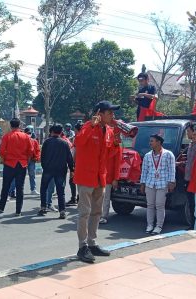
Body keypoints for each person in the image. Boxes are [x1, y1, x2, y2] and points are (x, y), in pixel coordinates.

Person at [73, 101, 117, 263]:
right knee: (84, 212)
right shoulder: (87, 127)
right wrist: (91, 126)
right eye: (109, 112)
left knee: (97, 212)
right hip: (86, 177)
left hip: (100, 177)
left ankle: (92, 243)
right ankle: (82, 246)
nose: (112, 115)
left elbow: (110, 154)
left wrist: (117, 144)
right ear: (100, 113)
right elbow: (78, 143)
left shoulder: (110, 131)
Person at [0, 118, 34, 216]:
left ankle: (1, 207)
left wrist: (5, 159)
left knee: (6, 187)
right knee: (20, 188)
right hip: (22, 164)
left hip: (9, 164)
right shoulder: (25, 136)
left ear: (10, 126)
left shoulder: (7, 137)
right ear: (19, 125)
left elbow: (2, 151)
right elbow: (31, 150)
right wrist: (26, 160)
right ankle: (18, 211)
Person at [139, 134, 176, 235]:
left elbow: (171, 170)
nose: (150, 143)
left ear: (159, 142)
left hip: (162, 183)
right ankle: (149, 225)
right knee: (150, 205)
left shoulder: (168, 154)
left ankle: (159, 226)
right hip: (150, 183)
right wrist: (142, 183)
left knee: (160, 205)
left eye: (152, 141)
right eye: (150, 141)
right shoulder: (147, 155)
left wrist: (171, 182)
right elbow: (144, 170)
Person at [38, 124, 74, 219]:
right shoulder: (64, 143)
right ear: (61, 132)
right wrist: (72, 169)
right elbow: (69, 158)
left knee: (43, 189)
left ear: (51, 132)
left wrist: (44, 167)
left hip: (48, 169)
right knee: (60, 191)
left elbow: (43, 157)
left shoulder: (47, 142)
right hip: (61, 170)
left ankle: (43, 207)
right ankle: (62, 211)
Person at [100, 118, 122, 224]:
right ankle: (96, 215)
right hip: (99, 175)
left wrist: (115, 178)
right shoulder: (102, 146)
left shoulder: (117, 148)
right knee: (96, 197)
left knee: (105, 198)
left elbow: (117, 165)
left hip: (109, 178)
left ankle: (103, 216)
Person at [177, 122, 196, 230]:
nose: (188, 133)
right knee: (191, 203)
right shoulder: (191, 145)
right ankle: (193, 225)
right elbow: (190, 162)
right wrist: (181, 164)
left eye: (189, 131)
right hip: (189, 178)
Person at [9, 127, 40, 196]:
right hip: (23, 160)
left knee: (32, 175)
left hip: (32, 160)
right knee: (18, 176)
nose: (29, 134)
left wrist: (36, 158)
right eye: (27, 133)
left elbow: (37, 150)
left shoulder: (34, 141)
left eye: (30, 133)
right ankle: (13, 190)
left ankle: (33, 189)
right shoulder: (21, 141)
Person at [66, 122, 83, 206]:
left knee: (72, 181)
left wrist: (72, 164)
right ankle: (79, 197)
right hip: (85, 163)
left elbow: (75, 152)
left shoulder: (78, 138)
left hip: (77, 163)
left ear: (76, 129)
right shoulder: (85, 136)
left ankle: (74, 198)